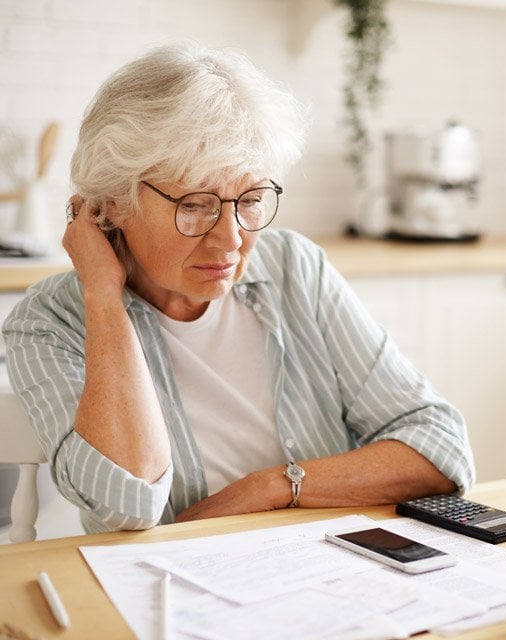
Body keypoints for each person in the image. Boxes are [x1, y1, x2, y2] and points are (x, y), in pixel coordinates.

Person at [2, 43, 475, 534]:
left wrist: (269, 488)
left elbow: (440, 449)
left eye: (250, 199)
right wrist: (102, 295)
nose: (231, 239)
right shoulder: (49, 321)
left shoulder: (294, 267)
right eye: (195, 204)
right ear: (113, 203)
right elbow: (127, 504)